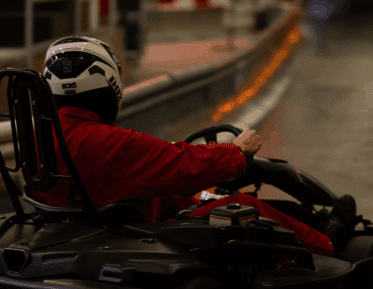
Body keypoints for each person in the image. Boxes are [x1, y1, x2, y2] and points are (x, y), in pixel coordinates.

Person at [34, 36, 355, 258]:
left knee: (179, 194)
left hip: (79, 211)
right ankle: (327, 241)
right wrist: (237, 151)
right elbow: (183, 163)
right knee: (244, 204)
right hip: (118, 221)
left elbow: (160, 158)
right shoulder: (111, 143)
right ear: (108, 82)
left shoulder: (40, 133)